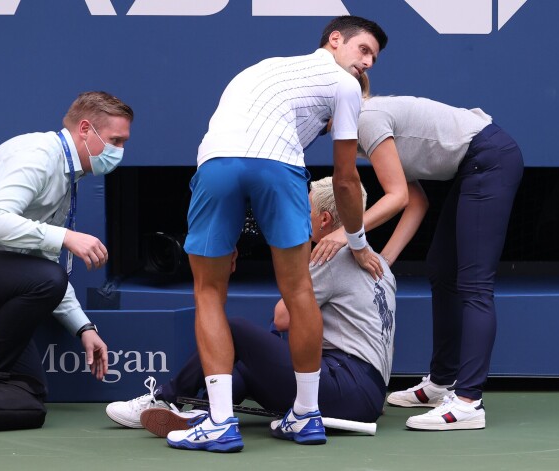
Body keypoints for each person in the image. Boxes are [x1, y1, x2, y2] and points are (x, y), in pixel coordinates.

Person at [158, 16, 388, 452]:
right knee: (299, 290)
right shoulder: (345, 88)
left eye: (373, 58)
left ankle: (220, 422)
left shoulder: (259, 69)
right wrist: (356, 242)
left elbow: (232, 151)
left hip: (216, 165)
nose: (368, 63)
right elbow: (344, 181)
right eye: (363, 50)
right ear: (334, 40)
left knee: (208, 292)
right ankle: (306, 416)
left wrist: (224, 229)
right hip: (276, 169)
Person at [105, 176, 396, 441]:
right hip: (367, 396)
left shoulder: (330, 255)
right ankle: (204, 411)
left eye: (305, 210)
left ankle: (167, 397)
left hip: (344, 385)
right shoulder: (380, 263)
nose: (301, 217)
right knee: (246, 367)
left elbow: (282, 318)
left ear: (323, 219)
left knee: (235, 329)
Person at [311, 73, 524, 430]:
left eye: (321, 114)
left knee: (474, 285)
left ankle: (469, 401)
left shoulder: (367, 119)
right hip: (475, 164)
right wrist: (384, 261)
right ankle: (443, 383)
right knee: (442, 268)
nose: (320, 124)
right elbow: (416, 201)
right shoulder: (366, 128)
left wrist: (348, 235)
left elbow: (397, 198)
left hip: (489, 159)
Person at [0, 91, 133, 407]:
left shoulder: (67, 175)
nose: (119, 151)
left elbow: (41, 261)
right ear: (84, 130)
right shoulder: (37, 155)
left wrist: (83, 327)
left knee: (30, 392)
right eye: (115, 141)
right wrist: (65, 236)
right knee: (47, 277)